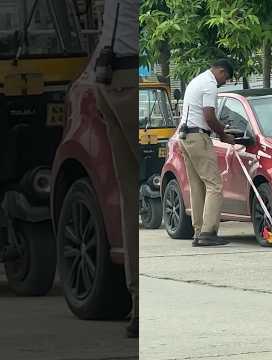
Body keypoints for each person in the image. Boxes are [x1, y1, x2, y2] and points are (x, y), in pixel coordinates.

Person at [85, 0, 139, 338]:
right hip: (118, 79)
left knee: (133, 196)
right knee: (139, 195)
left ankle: (140, 304)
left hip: (116, 78)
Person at [179, 59, 236, 247]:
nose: (224, 82)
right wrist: (223, 134)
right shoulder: (210, 83)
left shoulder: (197, 80)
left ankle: (198, 232)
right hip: (198, 137)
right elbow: (209, 115)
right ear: (220, 70)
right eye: (225, 77)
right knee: (215, 185)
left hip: (185, 136)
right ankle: (208, 232)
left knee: (197, 186)